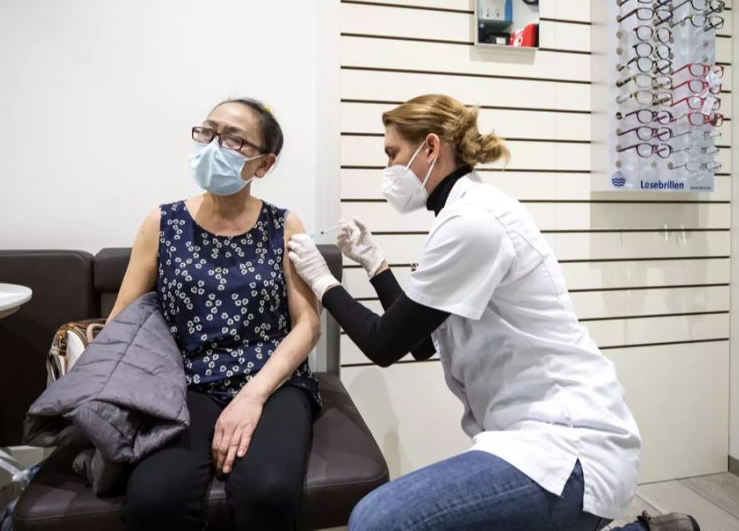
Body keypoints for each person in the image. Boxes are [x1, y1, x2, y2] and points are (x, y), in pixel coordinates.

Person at [288, 94, 700, 531]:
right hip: (523, 433)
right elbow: (422, 344)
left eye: (393, 153)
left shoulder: (474, 222)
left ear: (431, 148)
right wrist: (376, 266)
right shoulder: (461, 216)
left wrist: (323, 281)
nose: (388, 168)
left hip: (568, 443)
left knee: (377, 521)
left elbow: (384, 343)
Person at [110, 97, 321, 530]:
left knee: (269, 492)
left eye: (233, 139)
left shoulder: (285, 226)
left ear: (263, 165)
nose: (212, 145)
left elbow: (308, 324)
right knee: (154, 499)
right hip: (184, 384)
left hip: (274, 381)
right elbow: (122, 320)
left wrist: (252, 395)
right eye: (207, 131)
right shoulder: (161, 223)